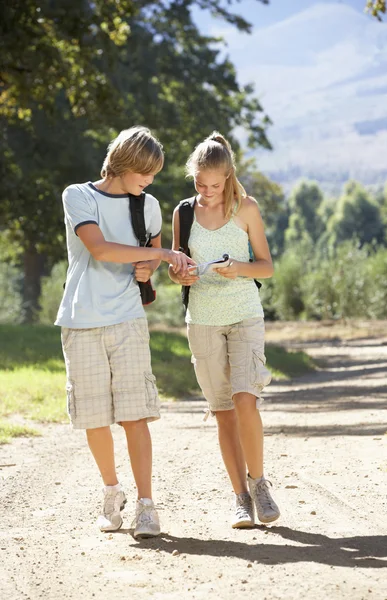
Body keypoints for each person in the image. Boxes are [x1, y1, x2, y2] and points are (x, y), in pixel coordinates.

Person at [55, 126, 192, 538]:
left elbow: (146, 264)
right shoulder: (78, 195)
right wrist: (160, 253)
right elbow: (100, 248)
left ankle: (146, 506)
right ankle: (111, 492)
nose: (149, 181)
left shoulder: (148, 205)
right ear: (123, 163)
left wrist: (152, 266)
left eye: (153, 174)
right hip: (81, 320)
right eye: (144, 172)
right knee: (95, 417)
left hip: (128, 319)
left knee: (135, 415)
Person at [169, 132, 280, 528]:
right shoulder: (183, 212)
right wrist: (178, 274)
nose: (208, 191)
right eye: (200, 184)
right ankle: (239, 498)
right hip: (202, 321)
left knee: (245, 399)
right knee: (223, 412)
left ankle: (259, 483)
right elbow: (177, 265)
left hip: (244, 314)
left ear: (229, 176)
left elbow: (266, 266)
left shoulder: (246, 208)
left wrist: (239, 268)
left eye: (215, 185)